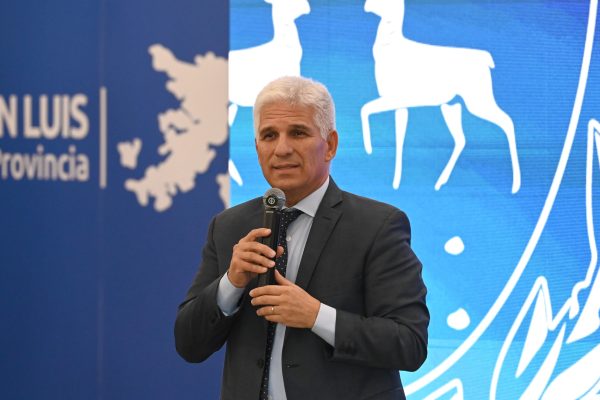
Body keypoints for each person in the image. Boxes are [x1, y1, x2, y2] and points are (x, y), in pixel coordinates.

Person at [175, 76, 429, 400]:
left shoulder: (378, 226)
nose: (282, 149)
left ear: (330, 145)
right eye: (269, 135)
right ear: (257, 147)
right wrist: (231, 283)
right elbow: (189, 344)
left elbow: (409, 343)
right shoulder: (228, 226)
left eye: (298, 132)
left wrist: (316, 315)